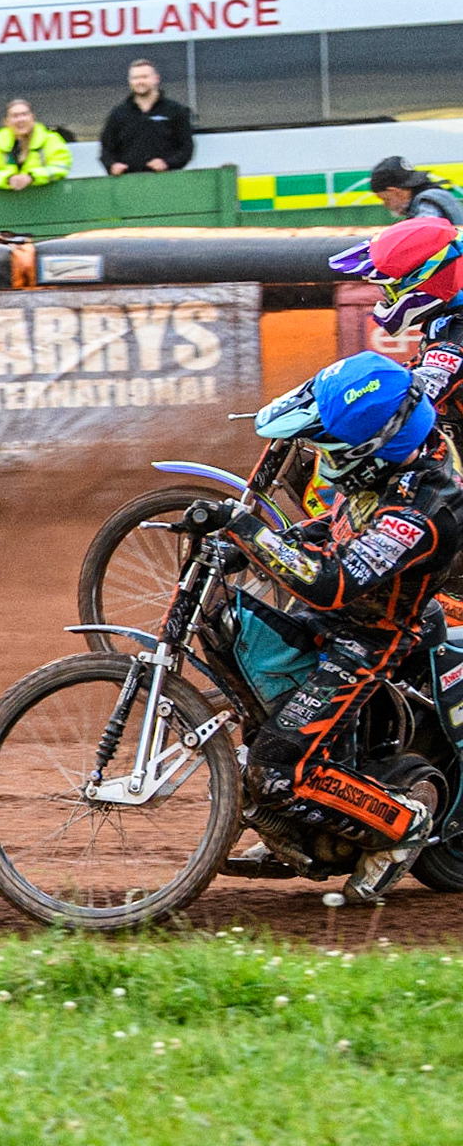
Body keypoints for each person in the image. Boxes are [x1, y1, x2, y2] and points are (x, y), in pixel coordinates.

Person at [200, 352, 458, 900]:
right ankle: (301, 826)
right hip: (332, 615)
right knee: (244, 672)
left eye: (329, 449)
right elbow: (341, 524)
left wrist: (254, 531)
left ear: (367, 450)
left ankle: (400, 826)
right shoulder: (394, 456)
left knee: (273, 770)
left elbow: (333, 583)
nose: (321, 457)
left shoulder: (426, 509)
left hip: (370, 640)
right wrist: (275, 542)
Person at [334, 216, 463, 425]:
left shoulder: (454, 337)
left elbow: (415, 399)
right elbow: (413, 376)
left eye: (390, 291)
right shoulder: (447, 318)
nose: (385, 299)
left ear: (423, 282)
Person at [99, 58, 194, 177]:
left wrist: (167, 163)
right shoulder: (118, 114)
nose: (140, 81)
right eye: (135, 78)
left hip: (167, 180)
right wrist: (112, 165)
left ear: (156, 79)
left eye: (144, 77)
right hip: (129, 183)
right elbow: (106, 150)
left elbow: (186, 148)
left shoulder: (174, 110)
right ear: (130, 81)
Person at [0, 98, 72, 191]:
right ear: (6, 121)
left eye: (24, 114)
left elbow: (61, 167)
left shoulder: (50, 139)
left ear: (32, 117)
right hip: (7, 204)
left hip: (44, 201)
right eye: (15, 116)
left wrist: (32, 177)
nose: (21, 119)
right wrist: (8, 179)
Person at [367, 156, 463, 224]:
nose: (386, 205)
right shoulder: (435, 195)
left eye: (386, 199)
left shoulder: (427, 203)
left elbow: (423, 233)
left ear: (395, 191)